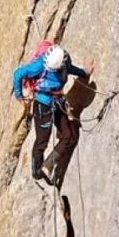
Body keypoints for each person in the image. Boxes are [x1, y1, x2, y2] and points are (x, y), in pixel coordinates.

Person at [12, 44, 93, 187]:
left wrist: (84, 73)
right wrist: (19, 96)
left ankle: (47, 165)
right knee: (42, 140)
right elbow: (18, 73)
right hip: (42, 105)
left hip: (57, 102)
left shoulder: (63, 61)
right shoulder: (41, 65)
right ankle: (37, 171)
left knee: (68, 136)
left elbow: (70, 68)